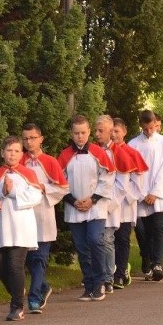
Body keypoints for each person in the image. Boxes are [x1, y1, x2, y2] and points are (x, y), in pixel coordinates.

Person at [58, 115, 115, 302]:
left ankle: (100, 283)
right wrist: (72, 200)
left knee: (95, 241)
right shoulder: (65, 155)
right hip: (74, 207)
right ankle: (89, 285)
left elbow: (107, 178)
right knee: (82, 247)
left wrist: (94, 199)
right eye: (76, 133)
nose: (80, 137)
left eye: (83, 133)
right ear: (71, 134)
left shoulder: (99, 153)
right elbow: (59, 182)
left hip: (96, 206)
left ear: (89, 132)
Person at [0, 136, 43, 321]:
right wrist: (1, 193)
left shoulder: (27, 174)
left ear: (21, 154)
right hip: (1, 226)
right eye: (9, 150)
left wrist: (11, 192)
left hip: (21, 226)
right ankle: (18, 291)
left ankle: (17, 306)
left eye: (16, 151)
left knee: (15, 265)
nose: (12, 154)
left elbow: (35, 196)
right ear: (2, 152)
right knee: (0, 267)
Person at [20, 123, 67, 314]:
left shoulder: (49, 161)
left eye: (33, 138)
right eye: (25, 139)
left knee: (39, 258)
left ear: (41, 139)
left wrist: (45, 188)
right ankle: (43, 286)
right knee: (30, 260)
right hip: (23, 218)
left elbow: (63, 188)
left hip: (43, 216)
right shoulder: (18, 161)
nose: (29, 142)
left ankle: (34, 298)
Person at [129, 110, 163, 281]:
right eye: (145, 129)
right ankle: (146, 257)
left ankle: (157, 264)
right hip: (141, 195)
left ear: (156, 123)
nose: (149, 132)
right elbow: (132, 172)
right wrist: (142, 194)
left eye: (151, 128)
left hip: (158, 194)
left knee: (158, 228)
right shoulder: (133, 144)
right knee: (142, 231)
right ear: (141, 125)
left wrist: (155, 192)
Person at [110, 118, 148, 288]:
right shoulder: (104, 152)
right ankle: (111, 271)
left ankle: (120, 273)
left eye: (117, 131)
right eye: (111, 131)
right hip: (108, 204)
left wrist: (122, 193)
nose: (114, 135)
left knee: (122, 239)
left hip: (125, 205)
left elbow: (139, 186)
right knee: (108, 240)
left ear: (124, 132)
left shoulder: (132, 154)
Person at [94, 115, 119, 293]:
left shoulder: (118, 153)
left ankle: (109, 277)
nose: (97, 134)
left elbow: (122, 185)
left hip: (110, 204)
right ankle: (98, 276)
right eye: (95, 130)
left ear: (111, 132)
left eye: (100, 131)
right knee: (96, 241)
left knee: (107, 240)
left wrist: (109, 205)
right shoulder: (92, 151)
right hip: (94, 204)